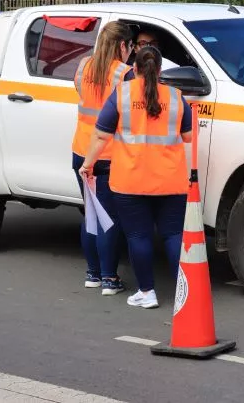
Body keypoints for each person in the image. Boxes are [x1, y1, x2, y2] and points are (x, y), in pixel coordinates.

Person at [79, 46, 192, 309]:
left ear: (135, 69)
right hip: (171, 181)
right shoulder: (176, 97)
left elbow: (100, 135)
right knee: (174, 235)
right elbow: (187, 136)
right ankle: (184, 293)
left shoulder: (121, 95)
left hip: (130, 181)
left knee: (138, 236)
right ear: (160, 70)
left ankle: (147, 292)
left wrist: (88, 164)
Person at [71, 20, 135, 295]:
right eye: (131, 46)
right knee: (109, 218)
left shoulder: (85, 65)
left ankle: (93, 274)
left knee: (91, 216)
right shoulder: (125, 74)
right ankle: (109, 279)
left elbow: (79, 89)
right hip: (108, 155)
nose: (131, 51)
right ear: (122, 45)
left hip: (81, 151)